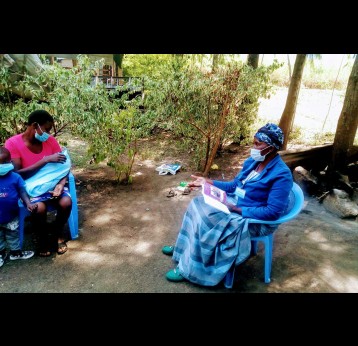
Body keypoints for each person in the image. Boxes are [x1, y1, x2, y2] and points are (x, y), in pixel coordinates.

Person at [162, 123, 293, 287]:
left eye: (258, 144)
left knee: (207, 220)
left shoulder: (282, 175)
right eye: (254, 142)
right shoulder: (253, 162)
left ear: (272, 147)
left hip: (256, 219)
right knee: (197, 204)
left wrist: (236, 209)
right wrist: (207, 182)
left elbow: (272, 212)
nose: (254, 147)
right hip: (236, 204)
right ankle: (184, 250)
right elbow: (234, 186)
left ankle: (190, 269)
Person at [5, 110, 72, 257]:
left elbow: (63, 167)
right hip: (29, 188)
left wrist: (61, 184)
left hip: (53, 185)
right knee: (38, 208)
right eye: (46, 129)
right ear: (35, 126)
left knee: (66, 202)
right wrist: (45, 160)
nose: (48, 134)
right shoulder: (13, 143)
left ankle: (56, 233)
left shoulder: (50, 141)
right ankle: (42, 239)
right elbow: (17, 174)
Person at [0, 147, 37, 267]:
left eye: (5, 162)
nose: (2, 165)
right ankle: (1, 254)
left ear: (10, 161)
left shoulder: (16, 177)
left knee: (13, 235)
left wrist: (28, 203)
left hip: (11, 215)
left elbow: (22, 192)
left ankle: (15, 253)